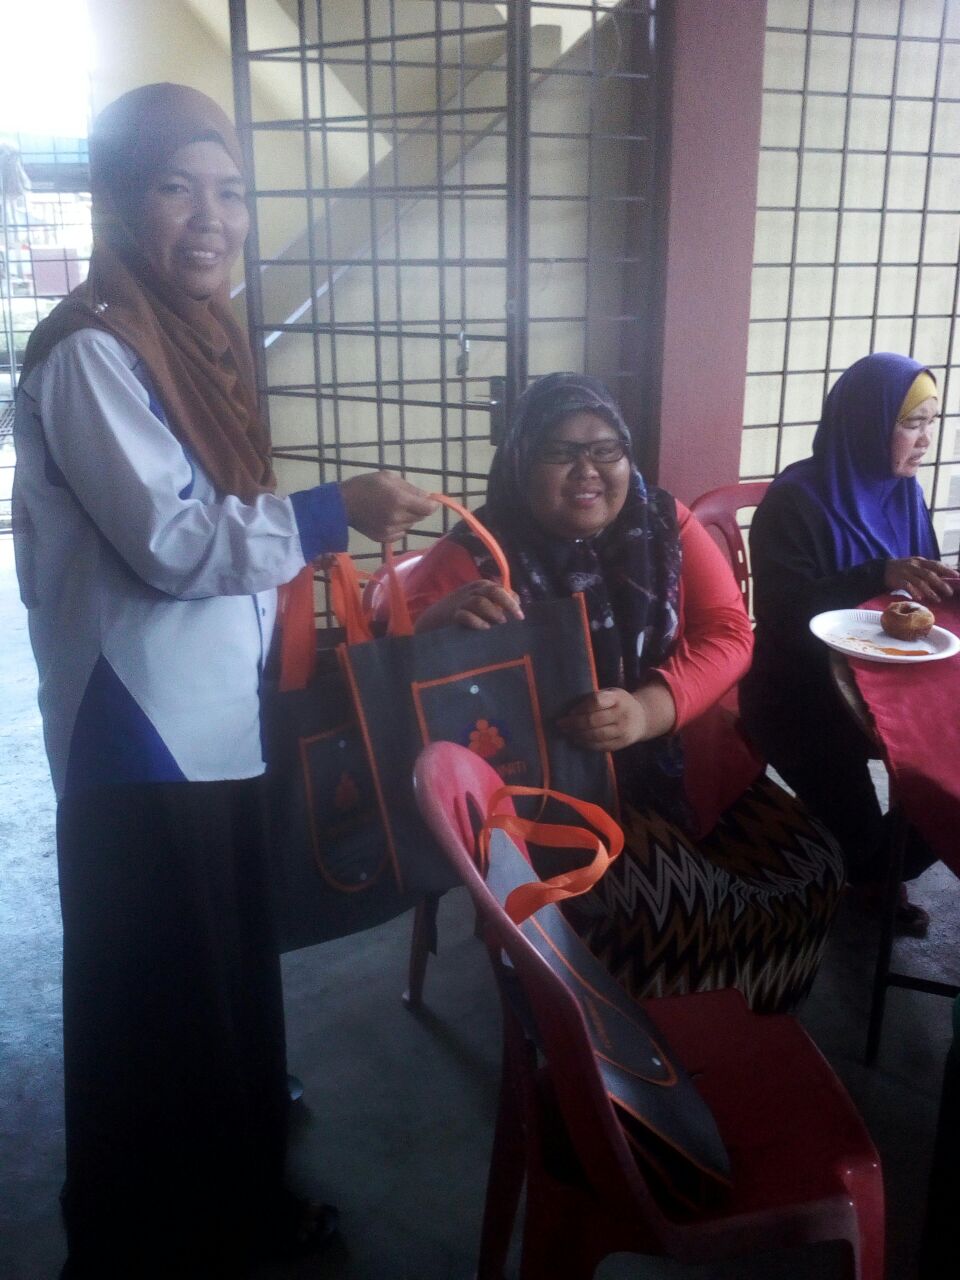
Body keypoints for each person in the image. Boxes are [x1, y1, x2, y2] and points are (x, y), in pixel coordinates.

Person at [11, 83, 436, 1279]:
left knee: (220, 966)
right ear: (119, 199)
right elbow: (176, 539)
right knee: (159, 989)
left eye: (231, 190)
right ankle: (166, 1231)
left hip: (209, 707)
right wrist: (333, 511)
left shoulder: (198, 335)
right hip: (135, 723)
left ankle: (240, 1171)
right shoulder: (93, 350)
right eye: (175, 187)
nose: (212, 218)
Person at [397, 372, 845, 1013]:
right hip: (549, 800)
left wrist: (648, 710)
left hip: (680, 763)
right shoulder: (475, 554)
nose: (588, 470)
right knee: (671, 909)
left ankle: (739, 1021)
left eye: (606, 449)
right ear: (520, 459)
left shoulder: (663, 523)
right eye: (561, 451)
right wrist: (437, 626)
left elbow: (728, 632)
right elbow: (397, 672)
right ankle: (616, 1039)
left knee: (815, 864)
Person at [741, 352, 958, 934]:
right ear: (867, 421)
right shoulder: (794, 501)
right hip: (800, 696)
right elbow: (782, 615)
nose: (926, 440)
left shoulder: (902, 491)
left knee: (943, 778)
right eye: (912, 423)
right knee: (876, 851)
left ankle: (868, 866)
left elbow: (922, 591)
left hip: (890, 682)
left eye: (931, 422)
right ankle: (865, 871)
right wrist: (875, 574)